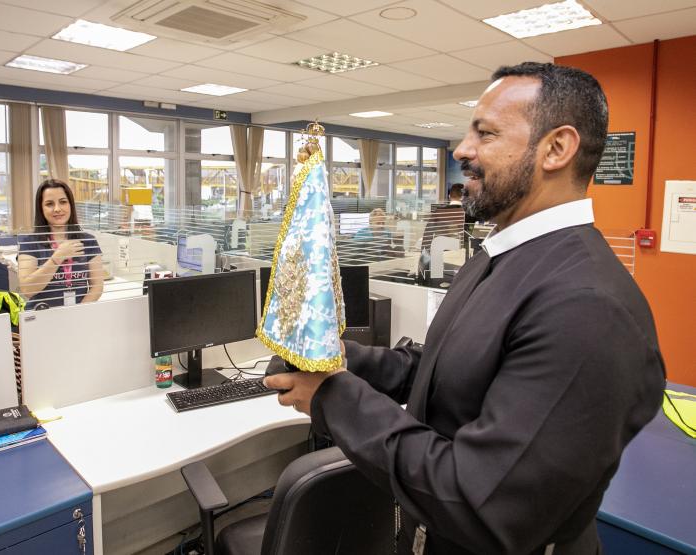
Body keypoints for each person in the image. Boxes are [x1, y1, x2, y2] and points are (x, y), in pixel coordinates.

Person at [265, 62, 666, 554]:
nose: (461, 150)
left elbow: (482, 502)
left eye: (486, 133)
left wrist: (333, 397)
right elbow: (447, 370)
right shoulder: (502, 256)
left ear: (557, 148)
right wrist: (344, 358)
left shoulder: (586, 308)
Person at [17, 180, 103, 308]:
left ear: (70, 205)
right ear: (41, 208)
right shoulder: (30, 242)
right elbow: (27, 290)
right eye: (49, 204)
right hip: (42, 317)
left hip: (78, 316)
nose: (57, 209)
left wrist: (76, 313)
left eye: (63, 202)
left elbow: (97, 286)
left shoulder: (88, 241)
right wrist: (57, 258)